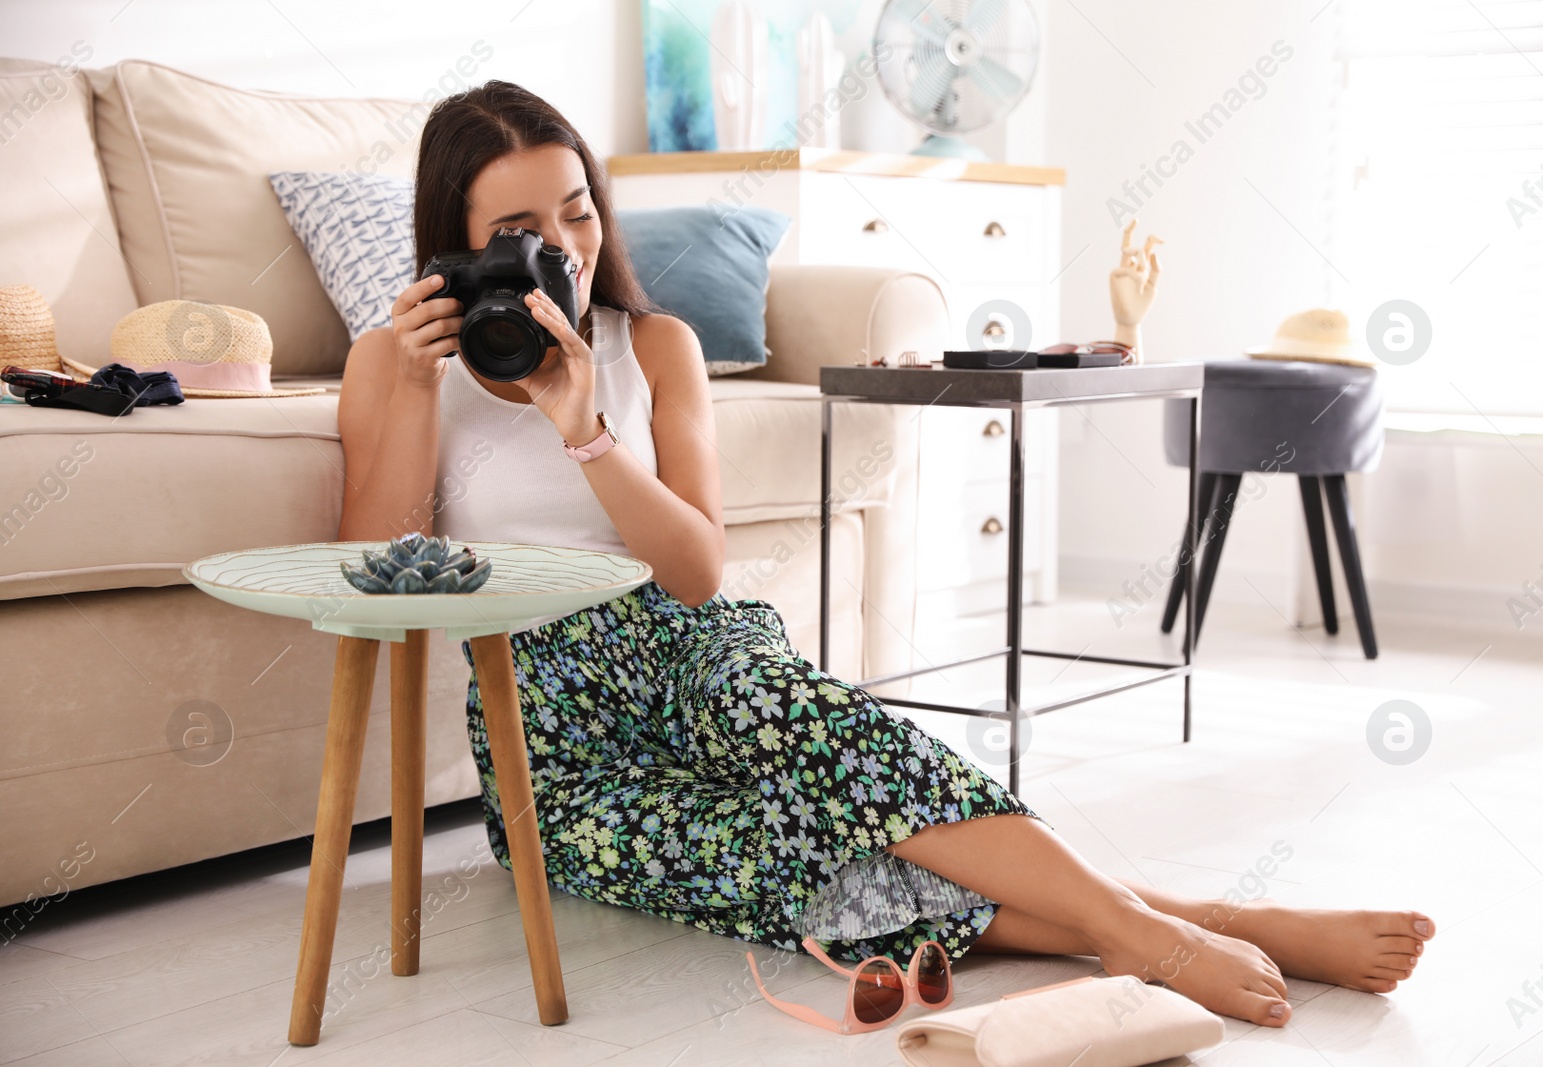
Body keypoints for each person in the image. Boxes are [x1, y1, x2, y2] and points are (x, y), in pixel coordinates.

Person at [336, 80, 1433, 1028]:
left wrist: (584, 426)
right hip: (552, 725)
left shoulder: (652, 346)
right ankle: (1210, 917)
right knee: (792, 859)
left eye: (576, 212)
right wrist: (415, 385)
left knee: (808, 733)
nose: (560, 247)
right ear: (457, 247)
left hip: (683, 639)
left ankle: (1134, 931)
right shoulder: (393, 365)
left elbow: (696, 572)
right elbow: (365, 565)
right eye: (521, 227)